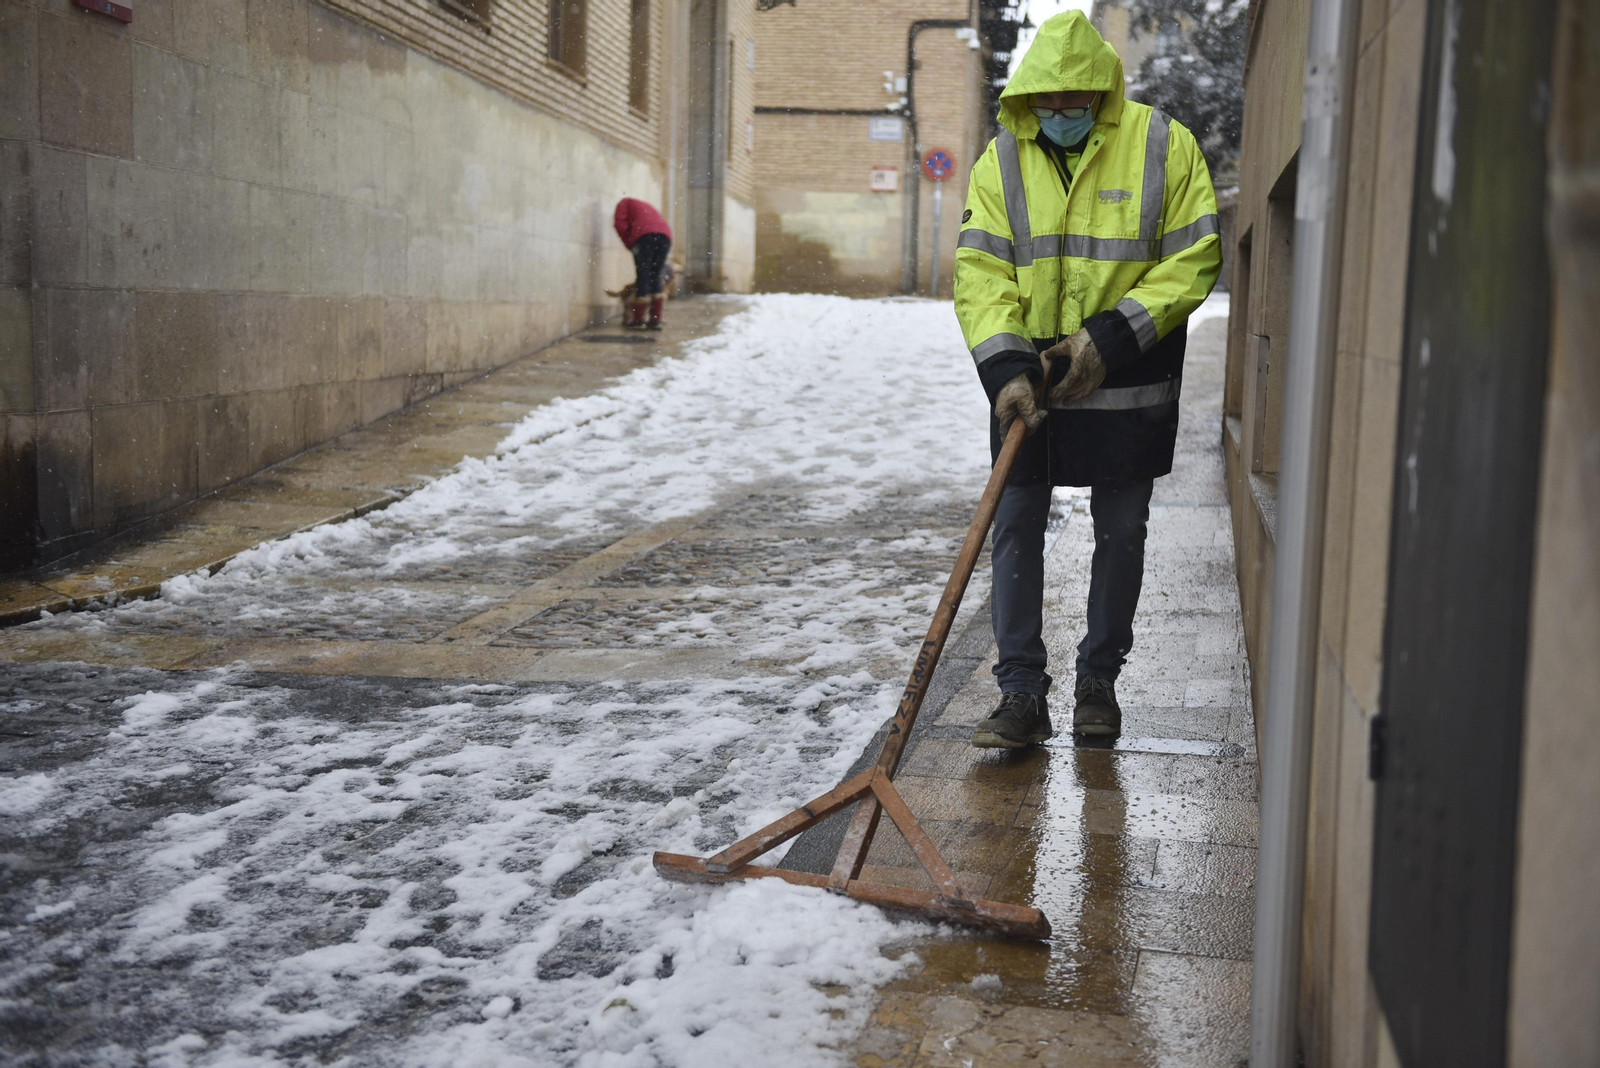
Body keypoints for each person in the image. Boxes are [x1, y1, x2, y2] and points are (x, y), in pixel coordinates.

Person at [953, 11, 1221, 746]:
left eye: (1077, 99)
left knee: (1122, 531)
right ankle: (1019, 694)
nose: (1062, 112)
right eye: (1050, 99)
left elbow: (1194, 258)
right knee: (1015, 529)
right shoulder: (1003, 158)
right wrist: (1007, 368)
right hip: (1030, 380)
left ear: (1103, 92)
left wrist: (1106, 340)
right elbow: (980, 270)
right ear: (1030, 96)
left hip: (1128, 374)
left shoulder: (1164, 145)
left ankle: (1099, 679)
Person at [613, 197, 674, 330]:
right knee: (655, 275)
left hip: (644, 237)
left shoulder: (624, 204)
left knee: (643, 275)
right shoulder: (647, 206)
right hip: (665, 237)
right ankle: (656, 320)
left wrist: (630, 244)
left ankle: (639, 320)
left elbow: (620, 225)